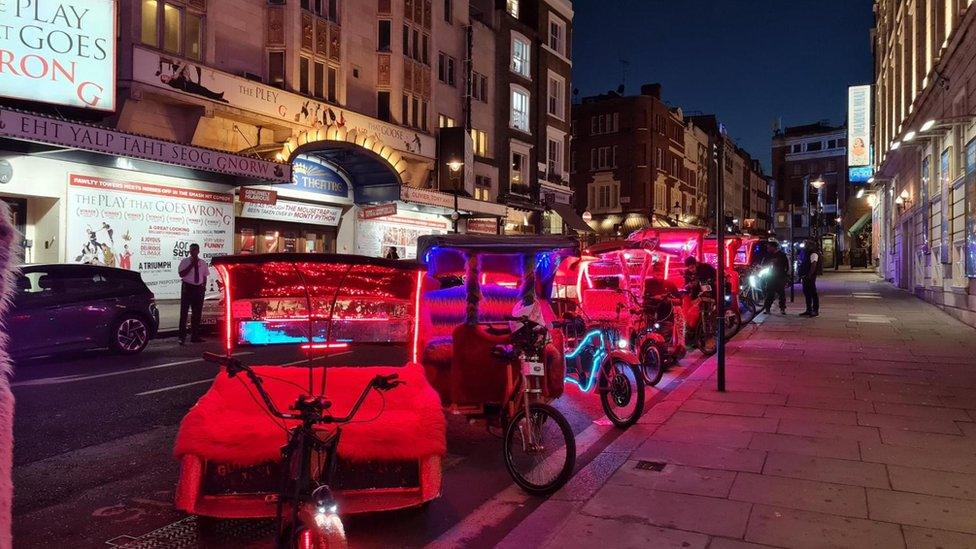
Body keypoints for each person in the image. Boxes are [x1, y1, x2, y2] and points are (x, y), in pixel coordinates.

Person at [177, 243, 209, 344]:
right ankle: (182, 337)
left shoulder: (203, 263)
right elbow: (181, 274)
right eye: (191, 250)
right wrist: (192, 264)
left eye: (195, 250)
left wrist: (203, 286)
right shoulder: (185, 261)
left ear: (198, 251)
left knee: (197, 314)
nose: (193, 252)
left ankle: (195, 336)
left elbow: (204, 276)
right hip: (187, 288)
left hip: (198, 289)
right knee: (184, 313)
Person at [761, 240, 789, 315]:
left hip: (780, 277)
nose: (768, 248)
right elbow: (763, 264)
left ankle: (782, 308)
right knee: (769, 293)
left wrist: (785, 276)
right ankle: (767, 308)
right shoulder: (768, 255)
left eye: (769, 247)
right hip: (770, 277)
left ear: (774, 247)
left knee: (781, 294)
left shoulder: (782, 255)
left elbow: (786, 266)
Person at [797, 239, 820, 317]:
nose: (805, 246)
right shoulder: (805, 253)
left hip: (809, 276)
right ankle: (808, 309)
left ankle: (815, 310)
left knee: (813, 292)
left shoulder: (813, 253)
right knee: (806, 293)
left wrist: (810, 275)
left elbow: (814, 265)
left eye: (806, 244)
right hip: (805, 275)